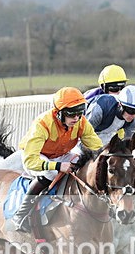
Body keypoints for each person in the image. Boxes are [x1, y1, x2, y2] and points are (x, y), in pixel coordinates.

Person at [8, 87, 103, 233]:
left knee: (80, 161)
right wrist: (58, 165)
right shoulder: (42, 124)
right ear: (59, 113)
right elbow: (30, 160)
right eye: (72, 115)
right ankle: (20, 215)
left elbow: (96, 146)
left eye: (79, 113)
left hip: (60, 154)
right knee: (51, 173)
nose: (76, 119)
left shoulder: (81, 122)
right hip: (35, 156)